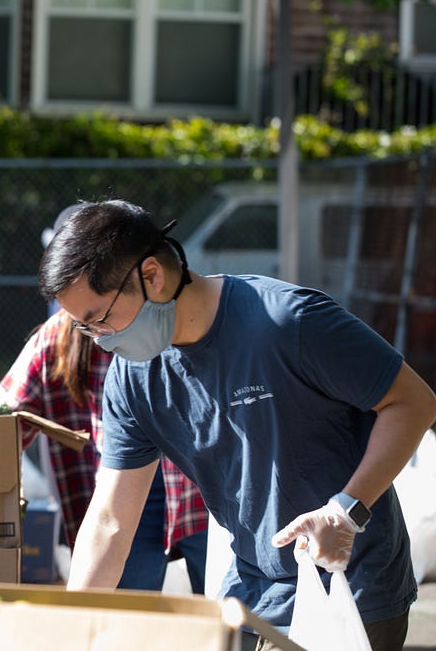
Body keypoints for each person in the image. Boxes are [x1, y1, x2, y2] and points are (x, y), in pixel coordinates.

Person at [39, 198, 436, 650]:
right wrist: (71, 626)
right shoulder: (133, 378)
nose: (100, 340)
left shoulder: (287, 321)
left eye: (101, 319)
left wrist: (345, 511)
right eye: (85, 329)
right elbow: (111, 518)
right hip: (252, 590)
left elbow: (414, 403)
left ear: (151, 276)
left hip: (349, 586)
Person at [0, 205, 207, 593]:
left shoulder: (162, 315)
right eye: (89, 324)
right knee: (119, 611)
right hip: (123, 494)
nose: (104, 337)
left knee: (230, 606)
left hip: (195, 487)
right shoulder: (58, 337)